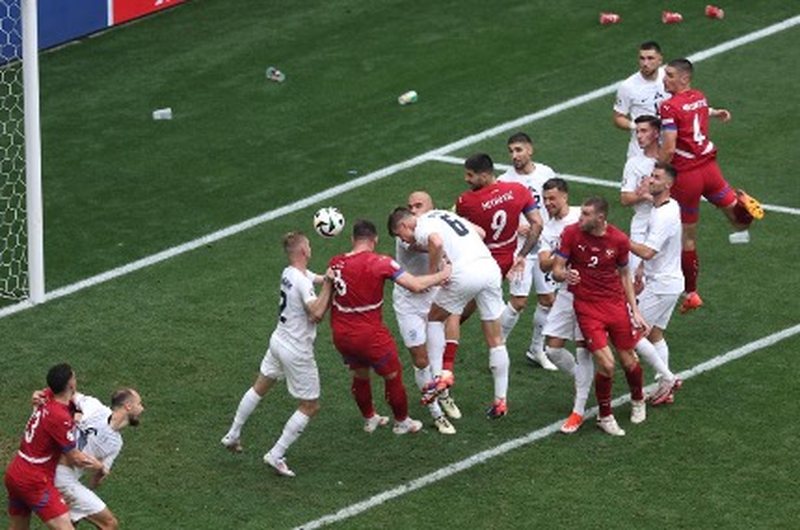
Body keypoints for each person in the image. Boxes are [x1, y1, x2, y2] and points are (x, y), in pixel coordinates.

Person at [220, 231, 333, 478]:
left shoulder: (288, 273)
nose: (311, 248)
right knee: (310, 405)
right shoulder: (302, 282)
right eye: (309, 245)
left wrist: (326, 277)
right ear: (303, 251)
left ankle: (233, 433)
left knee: (259, 387)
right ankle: (276, 454)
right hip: (296, 350)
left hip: (278, 341)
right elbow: (316, 313)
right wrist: (329, 286)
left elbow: (310, 277)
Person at [658, 58, 764, 312]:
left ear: (684, 78)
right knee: (738, 222)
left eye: (670, 75)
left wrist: (657, 170)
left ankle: (691, 293)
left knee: (687, 238)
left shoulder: (668, 106)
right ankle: (745, 206)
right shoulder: (700, 96)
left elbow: (670, 147)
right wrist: (716, 113)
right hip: (710, 170)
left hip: (687, 177)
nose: (665, 79)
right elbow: (701, 111)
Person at [329, 219, 450, 435]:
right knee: (393, 375)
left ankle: (369, 419)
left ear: (352, 239)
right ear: (375, 239)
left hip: (341, 333)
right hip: (370, 335)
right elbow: (415, 285)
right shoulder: (381, 262)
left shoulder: (336, 262)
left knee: (360, 373)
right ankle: (402, 422)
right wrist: (443, 273)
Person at [388, 207, 510, 418]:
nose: (403, 240)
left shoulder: (422, 225)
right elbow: (480, 233)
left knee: (434, 318)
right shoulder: (444, 215)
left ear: (405, 225)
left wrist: (434, 273)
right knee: (496, 339)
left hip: (465, 272)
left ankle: (441, 375)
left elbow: (436, 242)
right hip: (490, 268)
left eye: (401, 234)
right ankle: (501, 401)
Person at [552, 197, 648, 436]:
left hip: (614, 305)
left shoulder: (619, 240)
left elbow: (624, 275)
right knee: (606, 363)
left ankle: (638, 399)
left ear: (600, 218)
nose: (580, 218)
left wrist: (634, 310)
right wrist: (565, 275)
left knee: (628, 360)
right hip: (587, 307)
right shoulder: (571, 233)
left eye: (586, 214)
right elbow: (557, 269)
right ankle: (605, 416)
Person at [455, 153, 543, 343]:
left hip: (478, 261)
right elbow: (537, 223)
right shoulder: (518, 190)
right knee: (476, 304)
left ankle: (442, 339)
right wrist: (522, 255)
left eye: (470, 175)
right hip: (505, 262)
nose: (466, 179)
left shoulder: (466, 201)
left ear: (484, 175)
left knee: (454, 306)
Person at [4, 363, 104, 530]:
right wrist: (99, 466)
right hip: (34, 480)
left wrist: (36, 394)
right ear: (71, 384)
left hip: (15, 472)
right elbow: (75, 458)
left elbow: (43, 393)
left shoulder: (47, 397)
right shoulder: (59, 417)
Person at [392, 191, 459, 434]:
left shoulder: (432, 227)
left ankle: (444, 394)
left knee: (437, 353)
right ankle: (436, 413)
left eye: (418, 205)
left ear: (431, 208)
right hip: (409, 304)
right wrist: (439, 271)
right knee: (421, 361)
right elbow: (434, 245)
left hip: (432, 300)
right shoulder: (405, 236)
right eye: (410, 206)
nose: (414, 210)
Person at [536, 178, 594, 434]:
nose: (548, 203)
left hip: (589, 291)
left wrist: (560, 253)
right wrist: (564, 251)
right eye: (545, 199)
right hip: (565, 292)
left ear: (565, 197)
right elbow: (543, 264)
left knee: (585, 347)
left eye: (552, 198)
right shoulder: (549, 228)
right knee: (552, 348)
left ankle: (578, 408)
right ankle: (583, 380)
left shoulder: (581, 216)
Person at [497, 133, 559, 370]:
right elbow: (498, 217)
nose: (514, 155)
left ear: (530, 150)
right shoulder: (504, 181)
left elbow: (554, 203)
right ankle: (498, 345)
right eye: (511, 151)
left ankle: (536, 349)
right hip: (520, 249)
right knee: (518, 301)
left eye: (519, 150)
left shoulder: (546, 173)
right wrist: (516, 226)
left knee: (548, 299)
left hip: (543, 246)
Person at [629, 163, 685, 404]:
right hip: (670, 283)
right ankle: (665, 386)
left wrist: (620, 240)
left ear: (669, 184)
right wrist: (641, 269)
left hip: (661, 285)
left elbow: (649, 251)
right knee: (655, 334)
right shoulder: (667, 206)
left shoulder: (663, 215)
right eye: (651, 176)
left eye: (657, 177)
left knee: (630, 333)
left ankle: (668, 377)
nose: (651, 180)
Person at [54, 389, 144, 530]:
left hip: (69, 480)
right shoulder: (95, 407)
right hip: (59, 474)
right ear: (128, 406)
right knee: (109, 524)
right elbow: (67, 393)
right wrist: (71, 414)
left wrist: (100, 468)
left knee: (71, 524)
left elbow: (94, 483)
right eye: (139, 404)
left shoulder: (116, 444)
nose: (142, 409)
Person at [620, 115, 660, 279]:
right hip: (642, 225)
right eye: (637, 132)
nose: (639, 136)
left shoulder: (670, 158)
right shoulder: (633, 163)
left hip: (666, 221)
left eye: (644, 131)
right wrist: (644, 195)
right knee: (636, 276)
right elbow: (625, 198)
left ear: (656, 133)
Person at [613, 41, 667, 159]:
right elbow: (618, 118)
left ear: (660, 60)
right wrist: (636, 126)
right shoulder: (628, 86)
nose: (645, 63)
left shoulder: (668, 77)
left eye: (650, 58)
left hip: (668, 145)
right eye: (642, 58)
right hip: (640, 151)